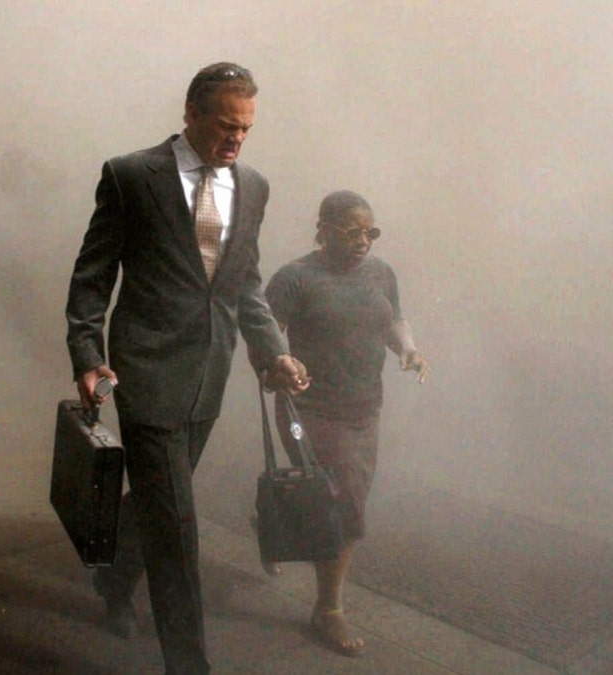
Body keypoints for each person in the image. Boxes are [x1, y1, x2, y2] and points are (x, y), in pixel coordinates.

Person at [65, 62, 309, 675]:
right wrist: (89, 356)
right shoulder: (130, 175)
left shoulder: (252, 186)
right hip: (145, 371)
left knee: (159, 502)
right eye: (227, 126)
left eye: (246, 129)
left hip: (210, 374)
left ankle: (114, 580)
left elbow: (243, 281)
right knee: (176, 526)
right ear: (191, 113)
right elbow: (94, 275)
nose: (237, 140)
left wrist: (271, 349)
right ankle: (188, 664)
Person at [264, 190, 430, 657]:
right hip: (310, 409)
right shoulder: (295, 278)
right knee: (342, 504)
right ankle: (328, 610)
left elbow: (393, 319)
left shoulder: (380, 273)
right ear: (323, 231)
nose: (363, 241)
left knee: (335, 498)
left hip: (363, 409)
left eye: (370, 232)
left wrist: (408, 349)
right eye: (352, 231)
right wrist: (279, 363)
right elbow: (264, 330)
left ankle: (272, 520)